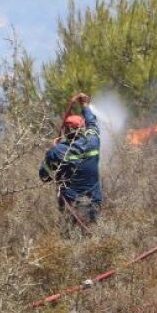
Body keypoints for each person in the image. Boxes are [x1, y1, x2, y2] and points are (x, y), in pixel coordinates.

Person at [39, 92, 103, 225]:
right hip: (94, 204)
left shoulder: (57, 151)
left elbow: (45, 176)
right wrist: (85, 105)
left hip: (71, 207)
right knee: (92, 234)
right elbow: (92, 124)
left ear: (67, 131)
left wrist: (51, 152)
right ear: (82, 129)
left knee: (71, 236)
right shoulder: (94, 141)